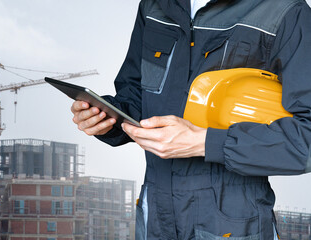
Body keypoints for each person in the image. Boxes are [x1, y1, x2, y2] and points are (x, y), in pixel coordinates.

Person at [70, 0, 311, 239]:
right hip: (155, 217)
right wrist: (107, 119)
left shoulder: (283, 11)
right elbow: (135, 96)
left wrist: (204, 142)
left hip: (232, 223)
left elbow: (307, 140)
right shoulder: (155, 5)